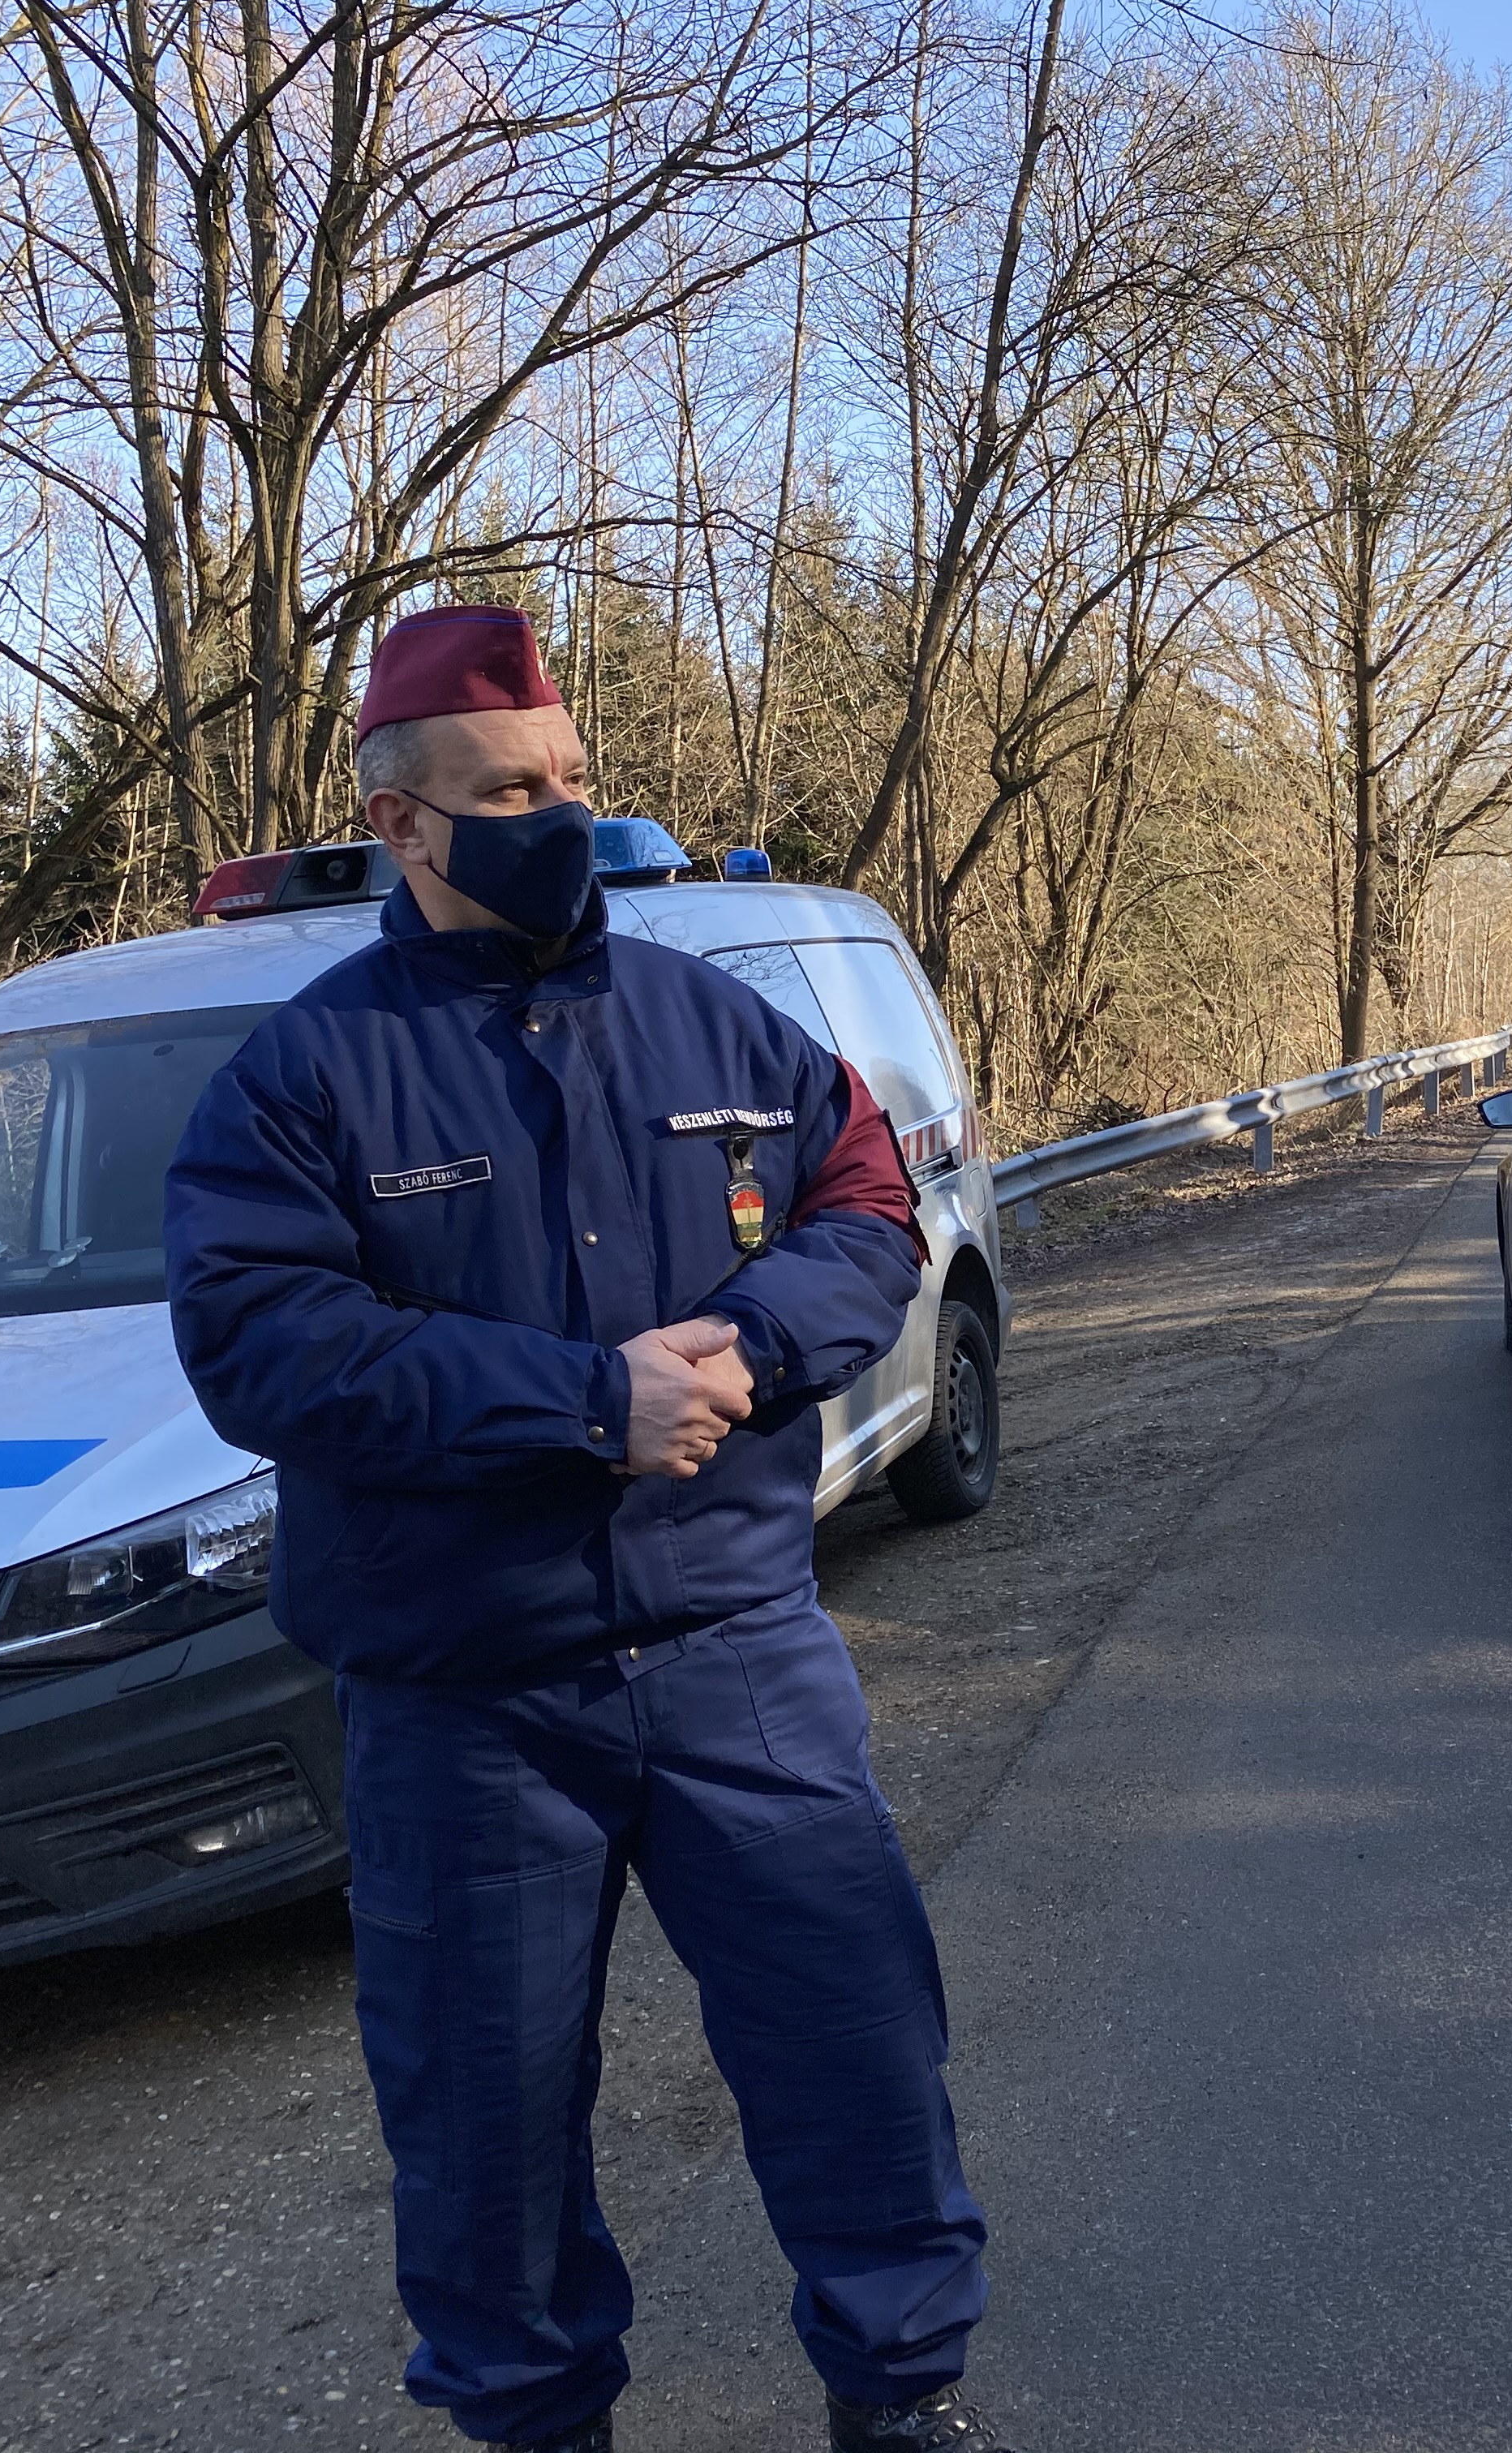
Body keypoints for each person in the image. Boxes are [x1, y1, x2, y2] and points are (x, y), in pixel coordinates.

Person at [165, 605, 1024, 2453]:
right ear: (401, 822)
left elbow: (869, 1213)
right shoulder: (305, 1078)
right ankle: (537, 2419)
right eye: (506, 794)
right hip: (468, 1701)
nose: (556, 817)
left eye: (569, 779)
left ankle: (902, 2395)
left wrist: (755, 1348)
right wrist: (580, 1404)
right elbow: (264, 1342)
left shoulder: (722, 1020)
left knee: (859, 2051)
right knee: (484, 2128)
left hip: (740, 1654)